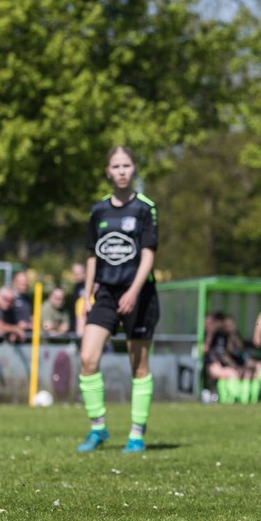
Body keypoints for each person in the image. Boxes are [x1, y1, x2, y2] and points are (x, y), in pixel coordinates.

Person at [76, 146, 160, 454]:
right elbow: (90, 255)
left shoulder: (145, 208)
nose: (122, 171)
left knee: (138, 366)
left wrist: (134, 291)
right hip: (106, 294)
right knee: (87, 359)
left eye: (126, 165)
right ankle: (98, 428)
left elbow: (149, 255)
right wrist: (86, 294)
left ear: (134, 169)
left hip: (139, 294)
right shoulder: (98, 210)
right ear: (108, 172)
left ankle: (137, 433)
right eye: (116, 166)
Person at [202, 312, 261, 404]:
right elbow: (206, 350)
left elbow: (236, 350)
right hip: (213, 365)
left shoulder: (227, 335)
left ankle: (248, 398)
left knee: (252, 370)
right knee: (232, 373)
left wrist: (232, 333)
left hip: (228, 364)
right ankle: (230, 399)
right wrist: (210, 334)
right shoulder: (206, 335)